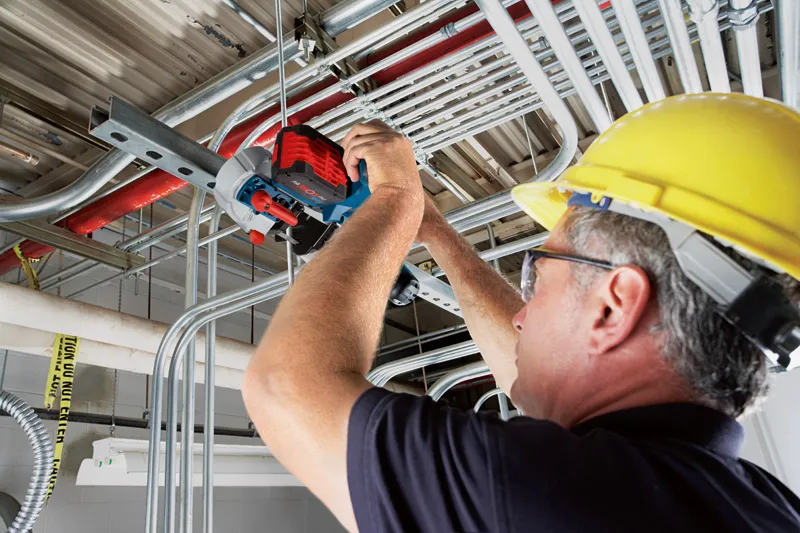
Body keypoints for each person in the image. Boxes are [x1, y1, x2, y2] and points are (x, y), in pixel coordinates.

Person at [242, 93, 800, 532]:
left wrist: (395, 199)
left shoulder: (559, 494)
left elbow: (288, 387)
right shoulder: (755, 503)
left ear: (613, 305)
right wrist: (431, 229)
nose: (520, 316)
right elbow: (530, 371)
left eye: (538, 274)